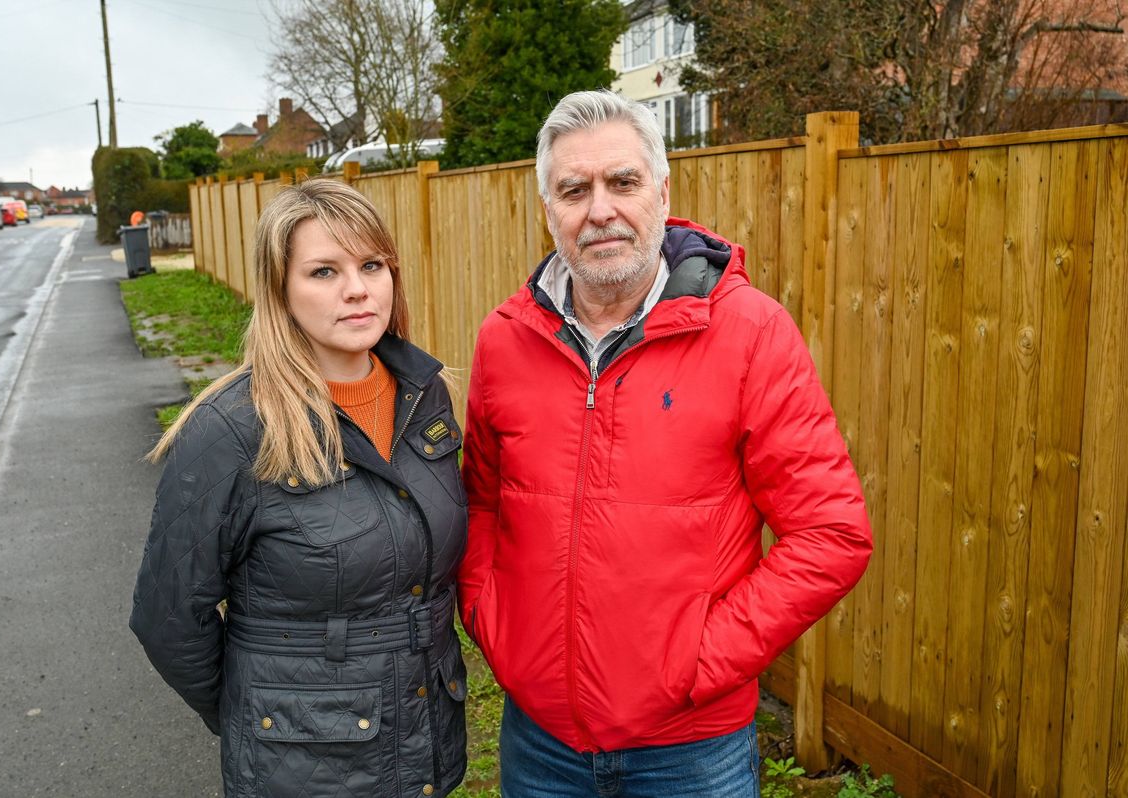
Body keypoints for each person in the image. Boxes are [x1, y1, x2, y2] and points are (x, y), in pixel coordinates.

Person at [457, 90, 873, 797]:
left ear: (662, 190)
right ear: (548, 208)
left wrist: (697, 664)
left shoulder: (750, 333)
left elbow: (831, 534)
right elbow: (483, 504)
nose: (600, 210)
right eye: (574, 190)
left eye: (623, 181)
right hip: (541, 745)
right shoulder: (505, 339)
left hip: (692, 753)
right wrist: (496, 627)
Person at [130, 178, 469, 798]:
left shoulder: (427, 395)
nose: (358, 289)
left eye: (372, 264)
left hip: (424, 746)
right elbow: (168, 619)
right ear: (280, 290)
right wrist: (263, 715)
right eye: (323, 271)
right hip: (302, 768)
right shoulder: (231, 431)